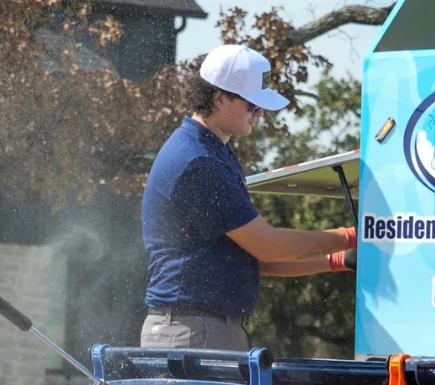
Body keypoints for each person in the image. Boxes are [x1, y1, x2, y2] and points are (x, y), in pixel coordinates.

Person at [140, 44, 356, 351]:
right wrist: (348, 236)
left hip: (202, 328)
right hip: (193, 332)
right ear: (219, 98)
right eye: (252, 105)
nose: (260, 113)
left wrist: (339, 259)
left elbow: (254, 259)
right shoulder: (198, 162)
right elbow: (268, 246)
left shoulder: (214, 150)